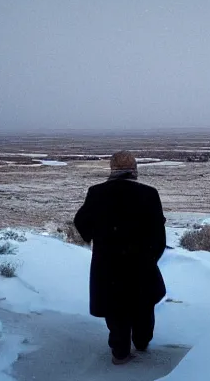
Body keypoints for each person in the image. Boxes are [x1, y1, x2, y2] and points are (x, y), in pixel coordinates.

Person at [73, 150, 167, 365]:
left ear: (111, 169)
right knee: (143, 305)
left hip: (108, 264)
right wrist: (151, 257)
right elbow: (158, 234)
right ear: (134, 169)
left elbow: (81, 222)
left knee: (115, 309)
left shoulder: (97, 193)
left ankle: (120, 351)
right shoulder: (149, 194)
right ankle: (142, 342)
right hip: (141, 263)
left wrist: (96, 237)